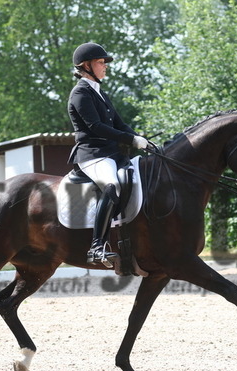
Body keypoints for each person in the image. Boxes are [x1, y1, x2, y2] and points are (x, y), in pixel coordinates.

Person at [67, 42, 149, 267]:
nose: (105, 66)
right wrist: (131, 140)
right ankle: (96, 247)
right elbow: (95, 127)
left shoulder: (99, 92)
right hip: (92, 155)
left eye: (104, 63)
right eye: (101, 62)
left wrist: (143, 140)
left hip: (112, 154)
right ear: (86, 66)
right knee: (112, 185)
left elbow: (120, 124)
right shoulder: (80, 93)